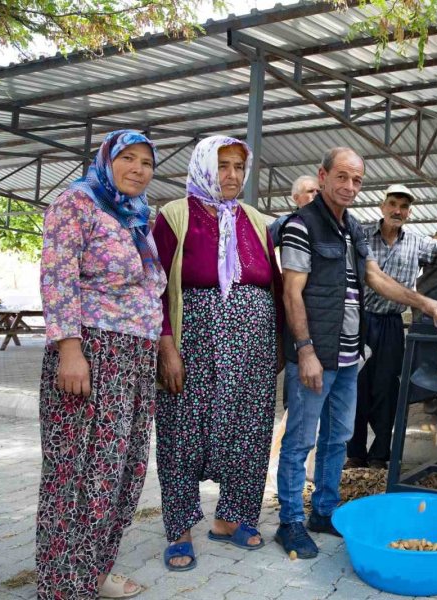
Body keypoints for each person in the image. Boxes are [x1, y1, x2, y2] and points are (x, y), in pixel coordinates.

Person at [276, 147, 437, 560]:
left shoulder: (352, 228)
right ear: (323, 176)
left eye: (357, 180)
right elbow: (291, 292)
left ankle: (324, 511)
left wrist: (422, 302)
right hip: (317, 353)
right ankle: (290, 522)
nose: (350, 186)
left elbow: (375, 277)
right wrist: (305, 351)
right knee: (300, 441)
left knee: (338, 437)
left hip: (350, 355)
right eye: (342, 177)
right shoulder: (301, 225)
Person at [37, 130, 165, 599]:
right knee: (76, 472)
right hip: (92, 351)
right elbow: (57, 277)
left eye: (146, 162)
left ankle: (93, 572)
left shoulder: (137, 215)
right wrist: (70, 351)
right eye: (127, 158)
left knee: (120, 470)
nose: (138, 169)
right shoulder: (77, 203)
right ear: (106, 160)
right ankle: (61, 586)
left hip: (135, 356)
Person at [152, 135, 284, 571]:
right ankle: (179, 530)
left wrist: (279, 343)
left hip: (253, 347)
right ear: (204, 167)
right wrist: (166, 347)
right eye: (223, 166)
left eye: (239, 168)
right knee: (182, 430)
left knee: (249, 429)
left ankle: (232, 518)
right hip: (194, 341)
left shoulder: (257, 220)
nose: (232, 175)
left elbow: (275, 283)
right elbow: (155, 288)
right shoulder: (175, 215)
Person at [345, 183, 437, 470]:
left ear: (409, 213)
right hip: (359, 322)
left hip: (391, 325)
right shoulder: (361, 236)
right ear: (382, 206)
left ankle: (380, 455)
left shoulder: (416, 242)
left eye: (403, 207)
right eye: (392, 204)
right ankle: (355, 454)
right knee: (356, 388)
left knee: (387, 389)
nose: (397, 211)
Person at [269, 175, 319, 246]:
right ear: (296, 198)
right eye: (310, 191)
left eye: (318, 191)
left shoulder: (329, 223)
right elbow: (263, 248)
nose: (316, 194)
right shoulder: (282, 223)